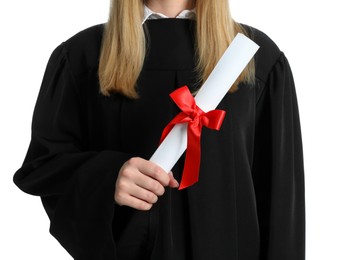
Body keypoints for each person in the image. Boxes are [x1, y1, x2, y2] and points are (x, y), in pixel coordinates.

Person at [13, 0, 305, 259]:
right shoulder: (83, 56)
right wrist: (107, 176)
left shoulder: (258, 59)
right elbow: (44, 168)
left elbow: (281, 201)